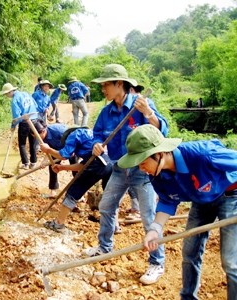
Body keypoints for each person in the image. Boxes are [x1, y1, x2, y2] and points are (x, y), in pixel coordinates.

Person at [118, 124, 237, 300]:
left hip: (230, 196)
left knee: (231, 262)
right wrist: (155, 228)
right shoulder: (157, 174)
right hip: (201, 200)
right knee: (190, 253)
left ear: (159, 153)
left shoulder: (203, 154)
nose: (141, 168)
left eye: (143, 162)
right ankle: (188, 297)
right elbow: (167, 201)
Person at [85, 63, 169, 286]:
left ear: (119, 84)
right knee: (106, 206)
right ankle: (104, 247)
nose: (103, 89)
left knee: (149, 217)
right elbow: (96, 135)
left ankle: (156, 262)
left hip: (144, 171)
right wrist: (96, 145)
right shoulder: (106, 112)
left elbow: (163, 130)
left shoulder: (141, 105)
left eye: (106, 85)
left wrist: (148, 114)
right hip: (119, 168)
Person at [39, 127, 112, 232]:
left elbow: (63, 155)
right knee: (110, 196)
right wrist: (62, 168)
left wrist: (48, 150)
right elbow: (84, 165)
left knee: (73, 192)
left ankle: (58, 224)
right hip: (109, 164)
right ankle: (113, 225)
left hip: (97, 164)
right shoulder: (89, 135)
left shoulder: (74, 135)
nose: (72, 153)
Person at [33, 120, 76, 198]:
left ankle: (79, 194)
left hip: (70, 147)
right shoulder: (41, 138)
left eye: (37, 136)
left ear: (43, 131)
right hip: (56, 149)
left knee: (75, 169)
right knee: (53, 167)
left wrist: (73, 150)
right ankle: (53, 191)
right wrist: (45, 161)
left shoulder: (59, 131)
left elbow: (73, 138)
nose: (37, 138)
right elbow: (48, 149)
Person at [0, 83, 38, 170]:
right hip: (34, 120)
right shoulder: (26, 94)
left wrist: (13, 126)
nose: (6, 95)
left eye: (6, 94)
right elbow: (35, 105)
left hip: (25, 123)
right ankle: (33, 163)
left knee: (22, 144)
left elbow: (16, 117)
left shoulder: (15, 100)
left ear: (10, 92)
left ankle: (25, 163)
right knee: (33, 143)